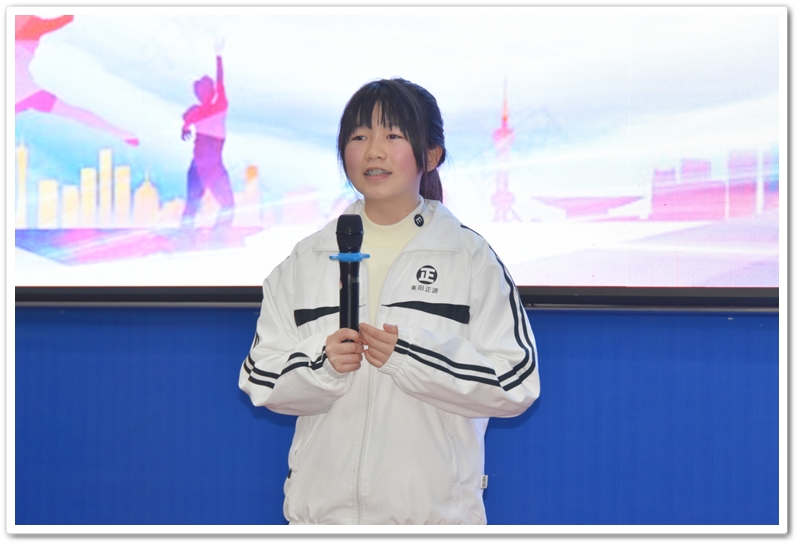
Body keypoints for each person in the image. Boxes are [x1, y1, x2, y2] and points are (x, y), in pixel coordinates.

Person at [239, 78, 540, 524]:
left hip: (432, 523)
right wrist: (321, 363)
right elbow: (259, 376)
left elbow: (516, 383)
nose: (374, 151)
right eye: (359, 137)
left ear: (431, 155)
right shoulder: (307, 258)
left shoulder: (469, 258)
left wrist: (412, 356)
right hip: (322, 524)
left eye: (393, 135)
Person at [15, 14, 138, 146]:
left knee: (76, 114)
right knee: (76, 114)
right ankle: (125, 134)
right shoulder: (24, 38)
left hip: (28, 93)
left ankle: (125, 134)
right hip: (28, 94)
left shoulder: (23, 38)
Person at [181, 39, 234, 229]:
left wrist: (185, 127)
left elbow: (186, 119)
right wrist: (218, 56)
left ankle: (185, 234)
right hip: (212, 166)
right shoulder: (219, 105)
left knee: (192, 204)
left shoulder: (194, 112)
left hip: (197, 166)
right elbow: (221, 81)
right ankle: (218, 235)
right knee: (228, 205)